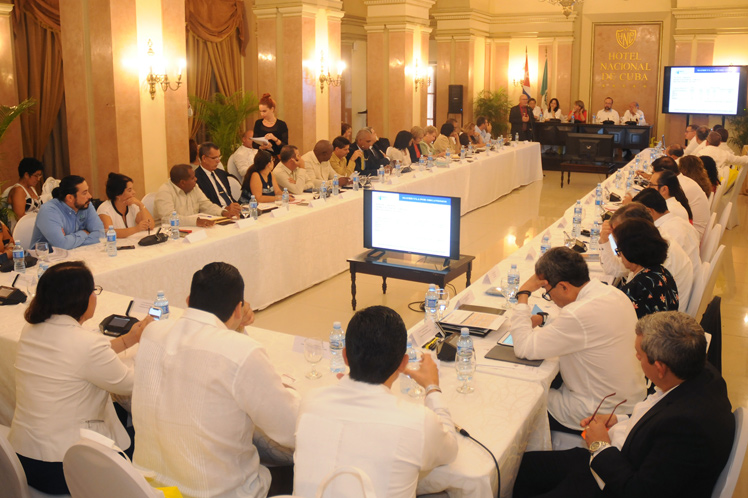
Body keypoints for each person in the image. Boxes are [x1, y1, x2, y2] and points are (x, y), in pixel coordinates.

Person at [513, 311, 735, 498]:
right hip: (619, 458)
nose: (636, 357)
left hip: (615, 481)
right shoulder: (700, 372)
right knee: (517, 471)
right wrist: (619, 420)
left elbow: (637, 491)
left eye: (639, 355)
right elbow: (657, 414)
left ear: (659, 368)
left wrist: (599, 446)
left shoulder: (686, 428)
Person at [133, 262, 299, 498]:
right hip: (217, 493)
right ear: (238, 309)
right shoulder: (243, 352)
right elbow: (288, 428)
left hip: (151, 487)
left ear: (189, 300)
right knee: (294, 467)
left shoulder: (152, 333)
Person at [9, 261, 149, 494]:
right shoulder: (86, 344)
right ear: (79, 299)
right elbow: (130, 383)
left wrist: (129, 340)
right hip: (64, 466)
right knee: (148, 438)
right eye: (93, 291)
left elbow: (78, 358)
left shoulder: (31, 330)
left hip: (25, 457)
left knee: (121, 415)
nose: (95, 296)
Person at [293, 306, 458, 498]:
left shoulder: (310, 402)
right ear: (403, 363)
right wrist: (432, 387)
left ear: (345, 356)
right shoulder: (417, 421)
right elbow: (450, 450)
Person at [510, 247, 646, 432]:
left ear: (564, 286)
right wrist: (545, 319)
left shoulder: (577, 314)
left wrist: (523, 293)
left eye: (546, 290)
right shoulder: (612, 293)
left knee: (521, 399)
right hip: (629, 400)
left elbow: (524, 347)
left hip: (596, 410)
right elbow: (583, 326)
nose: (548, 296)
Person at [599, 202, 693, 313]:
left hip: (664, 321)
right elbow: (618, 269)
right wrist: (605, 241)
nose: (615, 238)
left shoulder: (644, 281)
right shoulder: (653, 248)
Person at [612, 219, 679, 318]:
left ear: (631, 251)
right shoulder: (663, 272)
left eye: (619, 250)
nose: (619, 256)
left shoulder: (636, 289)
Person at [633, 188, 701, 276]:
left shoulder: (663, 234)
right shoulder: (680, 221)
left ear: (649, 211)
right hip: (687, 277)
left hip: (674, 283)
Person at [639, 156, 709, 236]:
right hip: (691, 231)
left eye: (651, 184)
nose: (647, 187)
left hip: (695, 233)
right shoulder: (678, 183)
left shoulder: (672, 206)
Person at [30, 175, 105, 250]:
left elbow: (100, 234)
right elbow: (61, 245)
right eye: (84, 193)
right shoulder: (49, 211)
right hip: (45, 258)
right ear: (70, 198)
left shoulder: (86, 204)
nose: (90, 196)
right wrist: (84, 233)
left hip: (74, 254)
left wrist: (71, 242)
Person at [153, 164, 235, 227]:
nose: (196, 179)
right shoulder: (165, 192)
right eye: (192, 178)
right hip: (170, 233)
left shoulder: (194, 186)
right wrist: (196, 221)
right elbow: (168, 218)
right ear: (182, 183)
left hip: (193, 229)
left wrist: (223, 212)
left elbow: (206, 204)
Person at [97, 173, 155, 238]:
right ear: (118, 194)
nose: (134, 192)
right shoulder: (104, 209)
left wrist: (141, 205)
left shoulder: (132, 206)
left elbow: (150, 226)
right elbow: (108, 232)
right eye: (129, 190)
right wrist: (136, 229)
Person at [195, 142, 241, 215]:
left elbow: (229, 197)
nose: (218, 161)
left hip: (234, 213)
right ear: (204, 158)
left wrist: (238, 206)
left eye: (219, 157)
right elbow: (204, 206)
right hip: (217, 215)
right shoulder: (196, 178)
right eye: (214, 158)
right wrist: (224, 209)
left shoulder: (221, 174)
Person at [2, 157, 43, 231]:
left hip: (35, 226)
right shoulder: (18, 190)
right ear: (26, 175)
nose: (38, 179)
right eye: (36, 175)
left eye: (40, 175)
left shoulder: (32, 188)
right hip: (23, 230)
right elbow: (20, 218)